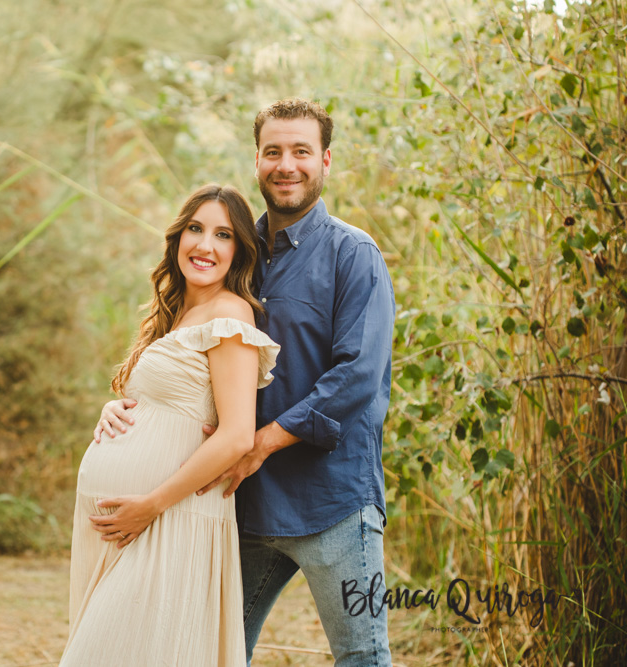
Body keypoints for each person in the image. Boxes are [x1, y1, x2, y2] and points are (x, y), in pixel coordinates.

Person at [96, 99, 396, 666]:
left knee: (362, 655)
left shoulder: (354, 255)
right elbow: (186, 354)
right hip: (243, 506)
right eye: (274, 151)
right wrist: (126, 413)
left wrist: (260, 443)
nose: (287, 165)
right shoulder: (236, 251)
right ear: (256, 160)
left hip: (335, 504)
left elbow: (358, 375)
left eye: (301, 151)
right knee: (212, 651)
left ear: (325, 160)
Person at [60, 184, 281, 666]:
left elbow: (237, 434)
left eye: (223, 235)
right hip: (133, 522)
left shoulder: (230, 314)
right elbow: (169, 405)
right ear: (178, 237)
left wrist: (151, 505)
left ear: (239, 251)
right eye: (196, 229)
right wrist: (118, 408)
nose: (205, 245)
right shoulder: (176, 314)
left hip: (169, 518)